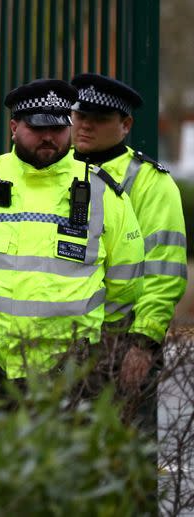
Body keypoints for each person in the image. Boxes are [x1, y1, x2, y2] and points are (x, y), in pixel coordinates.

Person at [0, 78, 145, 394]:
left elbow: (126, 282)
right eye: (37, 127)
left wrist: (87, 325)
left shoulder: (104, 192)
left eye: (57, 128)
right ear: (14, 127)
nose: (48, 136)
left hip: (71, 366)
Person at [70, 73, 187, 391]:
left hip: (119, 341)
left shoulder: (150, 183)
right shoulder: (53, 171)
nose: (85, 125)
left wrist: (143, 344)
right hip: (54, 340)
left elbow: (163, 272)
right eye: (80, 114)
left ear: (126, 125)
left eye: (100, 118)